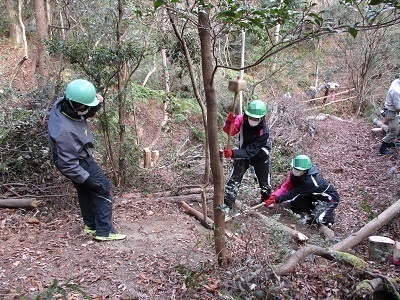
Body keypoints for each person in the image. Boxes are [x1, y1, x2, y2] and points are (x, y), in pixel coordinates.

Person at [48, 79, 126, 241]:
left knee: (84, 190)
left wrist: (94, 100)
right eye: (88, 107)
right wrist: (87, 179)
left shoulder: (63, 103)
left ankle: (91, 225)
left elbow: (85, 109)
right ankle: (105, 232)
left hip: (72, 156)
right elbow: (67, 164)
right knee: (102, 188)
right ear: (78, 107)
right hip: (76, 162)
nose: (91, 111)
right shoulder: (65, 131)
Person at [223, 99, 272, 212]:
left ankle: (266, 198)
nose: (252, 120)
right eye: (251, 117)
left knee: (264, 181)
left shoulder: (264, 131)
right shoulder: (241, 119)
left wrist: (233, 153)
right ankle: (227, 204)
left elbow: (251, 150)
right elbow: (230, 132)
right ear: (247, 114)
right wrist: (229, 122)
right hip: (243, 152)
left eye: (256, 118)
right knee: (234, 179)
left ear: (262, 118)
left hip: (260, 155)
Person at [264, 155, 339, 227]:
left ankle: (328, 218)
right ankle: (313, 209)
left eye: (298, 169)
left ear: (304, 170)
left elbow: (293, 195)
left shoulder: (310, 181)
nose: (295, 170)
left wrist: (276, 200)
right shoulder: (295, 174)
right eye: (294, 168)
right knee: (295, 204)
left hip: (329, 199)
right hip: (311, 195)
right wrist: (275, 196)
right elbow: (287, 186)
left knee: (316, 220)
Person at [379, 74, 400, 155]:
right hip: (392, 112)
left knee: (391, 128)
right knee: (394, 131)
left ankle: (390, 142)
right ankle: (382, 148)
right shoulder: (396, 91)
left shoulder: (396, 82)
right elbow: (398, 107)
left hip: (388, 109)